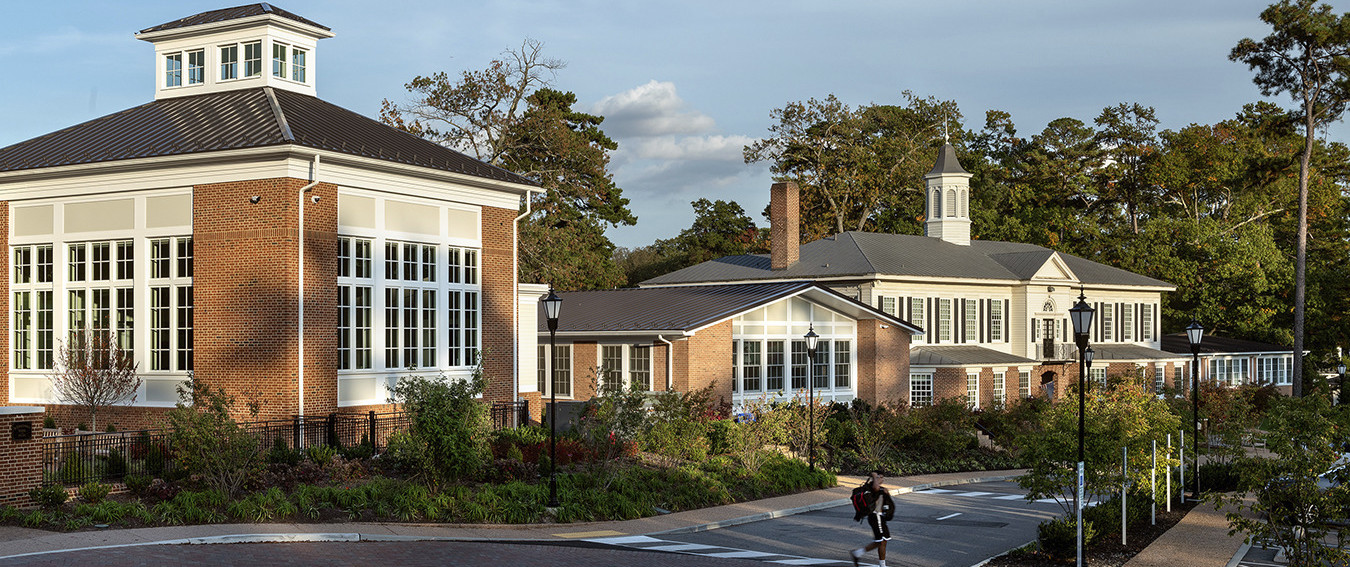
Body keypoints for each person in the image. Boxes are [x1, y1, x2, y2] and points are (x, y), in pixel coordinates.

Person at [851, 471, 894, 567]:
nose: (882, 479)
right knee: (881, 540)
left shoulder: (880, 489)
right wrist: (875, 477)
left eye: (882, 477)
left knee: (883, 540)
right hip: (875, 516)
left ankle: (858, 553)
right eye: (880, 477)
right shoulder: (872, 487)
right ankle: (881, 564)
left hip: (880, 517)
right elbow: (876, 487)